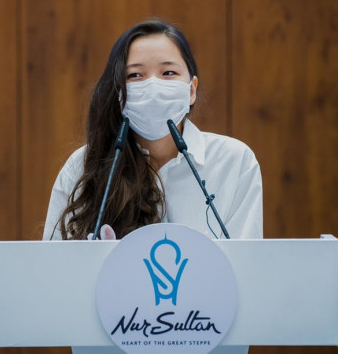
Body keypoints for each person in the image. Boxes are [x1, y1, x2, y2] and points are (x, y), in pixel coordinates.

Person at [43, 19, 262, 241]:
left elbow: (245, 260)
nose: (153, 86)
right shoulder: (83, 166)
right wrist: (97, 257)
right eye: (135, 75)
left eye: (168, 72)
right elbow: (53, 260)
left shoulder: (234, 162)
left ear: (191, 90)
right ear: (119, 93)